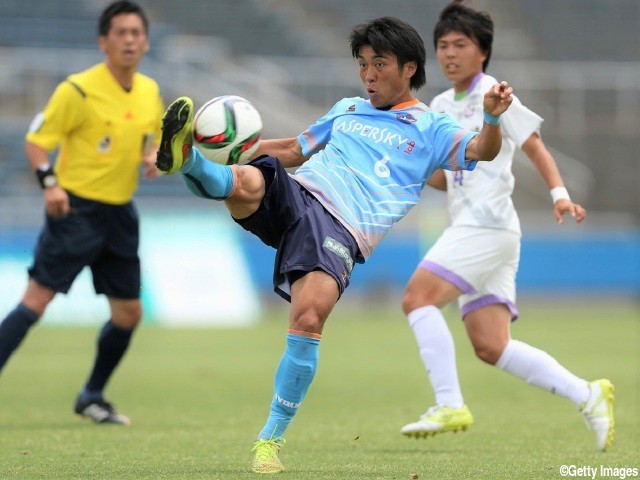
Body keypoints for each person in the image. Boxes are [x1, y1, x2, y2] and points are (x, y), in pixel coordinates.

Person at [156, 16, 514, 473]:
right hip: (301, 195)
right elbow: (292, 150)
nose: (367, 74)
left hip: (343, 229)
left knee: (308, 318)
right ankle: (187, 160)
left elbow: (483, 150)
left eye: (378, 63)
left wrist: (490, 117)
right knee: (245, 180)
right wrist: (230, 146)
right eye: (362, 63)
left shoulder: (433, 127)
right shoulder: (347, 108)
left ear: (409, 68)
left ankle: (269, 440)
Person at [399, 0, 614, 452]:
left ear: (483, 51)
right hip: (484, 231)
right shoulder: (438, 104)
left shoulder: (495, 94)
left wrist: (559, 195)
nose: (450, 53)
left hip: (486, 225)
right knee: (491, 345)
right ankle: (587, 394)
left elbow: (535, 147)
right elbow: (448, 177)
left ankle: (448, 402)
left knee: (418, 298)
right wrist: (413, 169)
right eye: (443, 45)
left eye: (460, 44)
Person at [0, 1, 163, 425]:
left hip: (120, 214)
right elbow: (37, 142)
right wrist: (49, 184)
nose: (129, 40)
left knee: (129, 313)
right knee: (36, 302)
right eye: (120, 33)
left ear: (145, 42)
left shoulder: (149, 91)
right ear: (103, 41)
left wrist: (152, 158)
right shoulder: (77, 90)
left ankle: (91, 395)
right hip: (75, 210)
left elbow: (152, 142)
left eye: (136, 33)